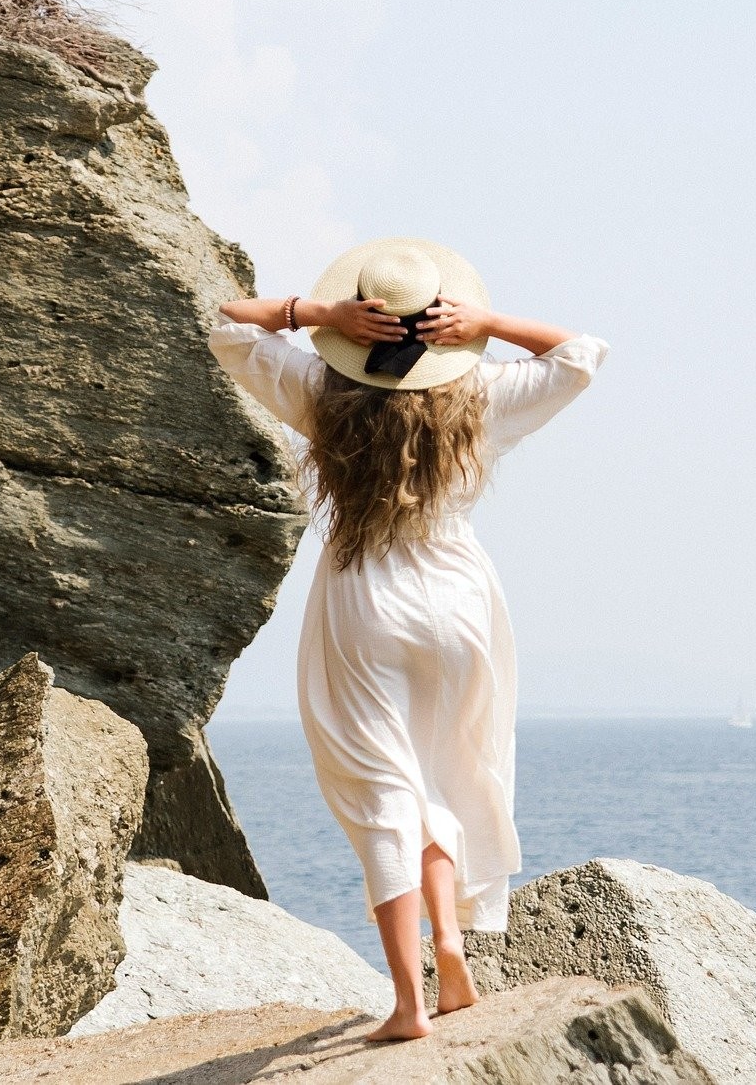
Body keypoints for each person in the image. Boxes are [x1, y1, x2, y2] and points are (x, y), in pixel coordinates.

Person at [207, 236, 608, 1041]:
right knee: (441, 773)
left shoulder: (319, 389)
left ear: (359, 324)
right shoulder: (482, 397)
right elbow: (581, 355)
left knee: (382, 792)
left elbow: (226, 327)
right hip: (460, 603)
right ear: (441, 321)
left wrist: (313, 313)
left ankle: (408, 1001)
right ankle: (450, 944)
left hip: (367, 599)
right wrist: (485, 323)